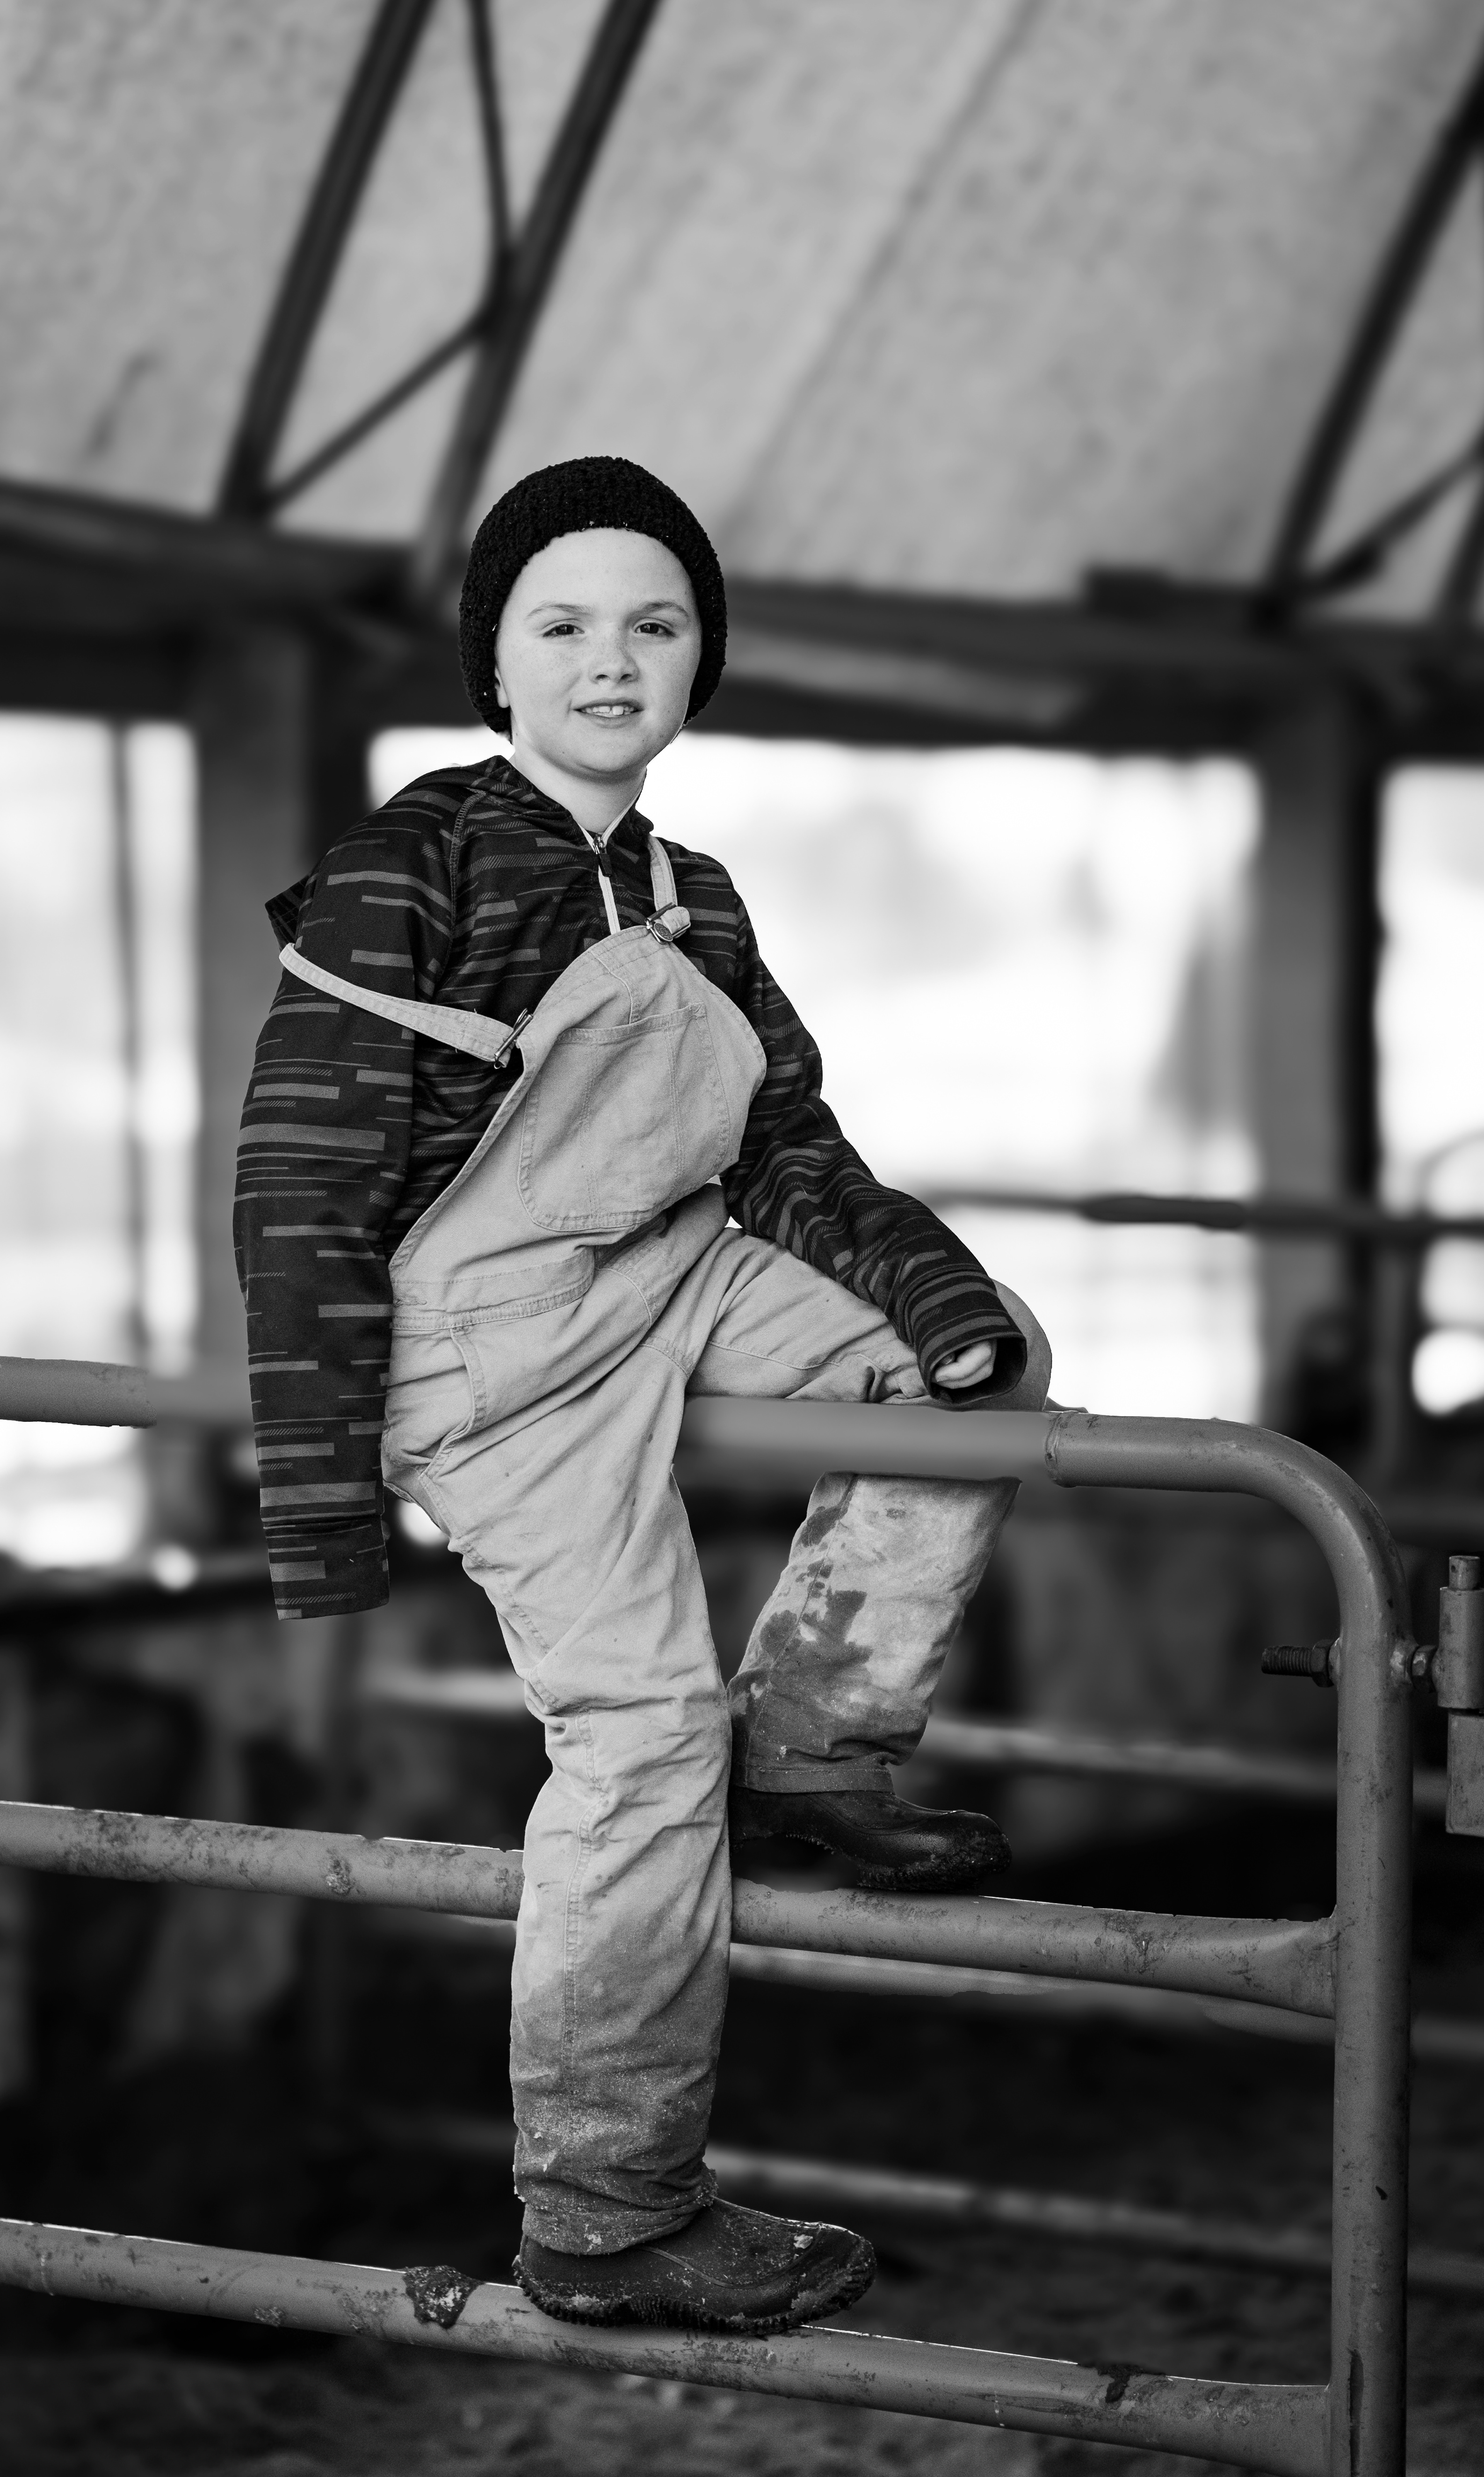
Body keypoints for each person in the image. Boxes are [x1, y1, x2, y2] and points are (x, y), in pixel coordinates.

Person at [236, 457, 1050, 2337]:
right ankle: (607, 2211)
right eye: (565, 624)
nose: (613, 660)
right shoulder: (412, 865)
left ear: (700, 660)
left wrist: (929, 1296)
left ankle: (819, 1743)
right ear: (496, 664)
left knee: (983, 1361)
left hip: (675, 1272)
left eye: (656, 624)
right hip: (495, 1348)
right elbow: (301, 1184)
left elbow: (782, 1145)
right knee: (638, 1732)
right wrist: (320, 1500)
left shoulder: (698, 896)